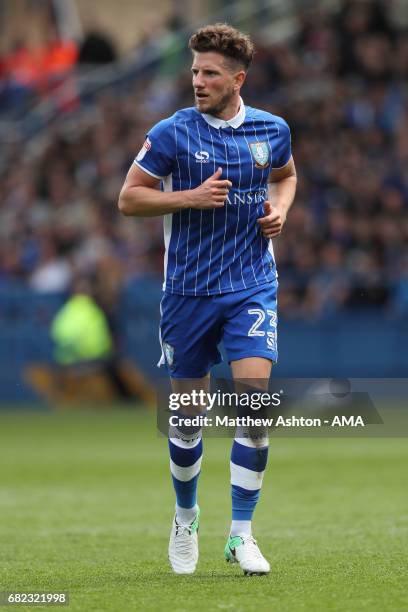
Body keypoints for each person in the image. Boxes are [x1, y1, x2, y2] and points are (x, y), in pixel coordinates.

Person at [118, 23, 297, 575]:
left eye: (209, 73)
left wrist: (281, 210)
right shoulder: (173, 133)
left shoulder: (272, 129)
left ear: (237, 79)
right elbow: (129, 199)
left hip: (250, 286)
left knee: (254, 407)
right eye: (195, 71)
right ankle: (185, 516)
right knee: (187, 419)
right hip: (188, 293)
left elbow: (287, 177)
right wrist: (190, 197)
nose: (197, 80)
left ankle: (241, 534)